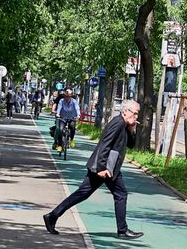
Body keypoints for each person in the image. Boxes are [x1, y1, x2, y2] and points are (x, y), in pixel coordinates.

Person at [43, 100, 143, 240]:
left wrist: (132, 130)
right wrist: (101, 168)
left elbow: (130, 145)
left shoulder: (124, 124)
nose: (136, 117)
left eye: (137, 114)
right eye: (135, 113)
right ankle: (122, 230)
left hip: (108, 166)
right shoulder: (118, 123)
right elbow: (104, 145)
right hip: (105, 167)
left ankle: (52, 216)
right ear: (125, 111)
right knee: (121, 194)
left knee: (83, 193)